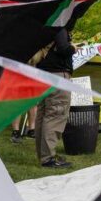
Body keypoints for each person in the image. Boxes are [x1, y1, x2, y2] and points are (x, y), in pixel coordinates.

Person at [35, 27, 75, 168]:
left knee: (43, 115)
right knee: (55, 115)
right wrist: (73, 48)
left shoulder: (44, 26)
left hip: (43, 76)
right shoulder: (59, 27)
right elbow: (64, 49)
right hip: (58, 76)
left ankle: (44, 155)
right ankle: (48, 158)